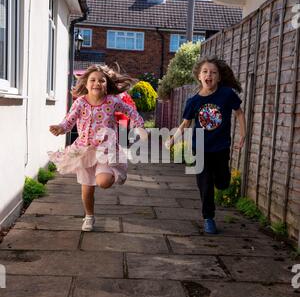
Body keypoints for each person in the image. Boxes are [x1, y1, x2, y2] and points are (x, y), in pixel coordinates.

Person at [48, 64, 147, 231]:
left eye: (101, 80)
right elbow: (69, 120)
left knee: (104, 182)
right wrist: (60, 128)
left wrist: (140, 127)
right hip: (84, 151)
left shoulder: (113, 101)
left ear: (106, 85)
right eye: (92, 80)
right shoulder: (80, 102)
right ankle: (89, 217)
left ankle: (118, 170)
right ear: (86, 84)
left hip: (105, 150)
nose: (97, 83)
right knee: (87, 190)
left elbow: (131, 112)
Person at [166, 56, 246, 234]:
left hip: (221, 146)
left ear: (218, 77)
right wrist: (173, 139)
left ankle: (222, 182)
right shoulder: (193, 101)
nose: (209, 75)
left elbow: (239, 113)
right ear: (199, 76)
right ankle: (208, 218)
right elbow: (186, 123)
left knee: (222, 182)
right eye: (205, 72)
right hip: (200, 148)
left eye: (213, 72)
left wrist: (243, 134)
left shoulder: (226, 94)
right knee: (205, 183)